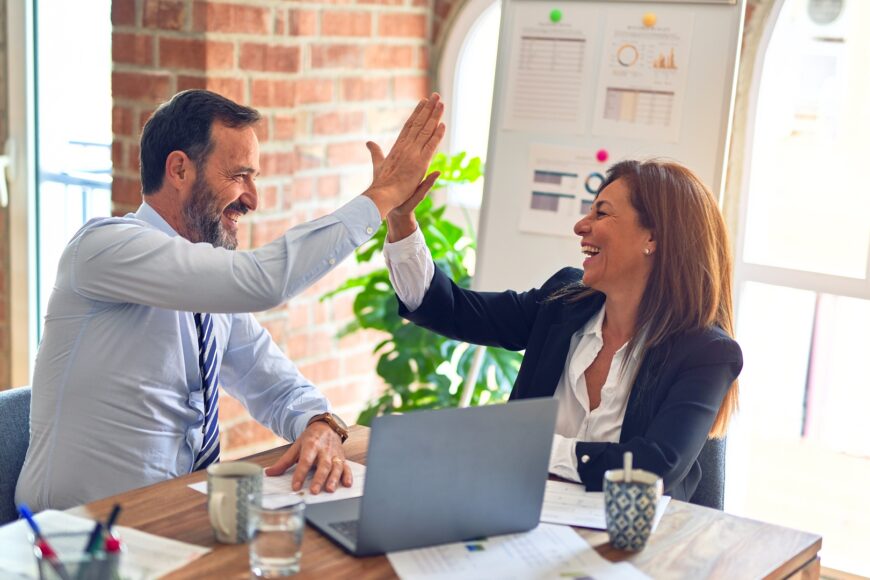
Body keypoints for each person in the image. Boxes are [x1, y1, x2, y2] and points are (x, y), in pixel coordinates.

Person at [16, 89, 445, 511]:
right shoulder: (104, 248)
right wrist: (382, 196)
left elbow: (274, 384)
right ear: (180, 170)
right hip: (72, 539)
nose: (252, 199)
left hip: (171, 521)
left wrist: (320, 423)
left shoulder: (208, 290)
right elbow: (263, 281)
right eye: (240, 175)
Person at [382, 159, 742, 501]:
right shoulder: (563, 303)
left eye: (601, 213)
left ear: (653, 238)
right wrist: (401, 219)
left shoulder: (706, 352)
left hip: (634, 546)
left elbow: (653, 468)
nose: (581, 226)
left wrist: (530, 446)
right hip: (522, 518)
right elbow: (451, 310)